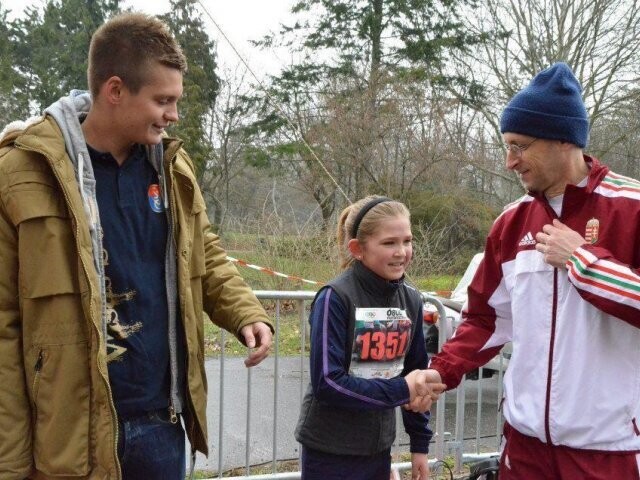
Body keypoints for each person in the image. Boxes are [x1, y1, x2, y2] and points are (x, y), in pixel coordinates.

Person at [0, 12, 273, 480]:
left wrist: (245, 311)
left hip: (161, 426)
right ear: (115, 90)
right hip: (69, 438)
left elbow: (203, 250)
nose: (173, 115)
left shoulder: (173, 168)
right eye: (163, 100)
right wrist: (11, 461)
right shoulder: (21, 172)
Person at [421, 62, 640, 479]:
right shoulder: (510, 222)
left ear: (563, 139)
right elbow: (487, 319)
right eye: (507, 145)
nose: (509, 161)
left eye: (519, 145)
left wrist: (583, 260)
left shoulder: (632, 207)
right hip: (524, 447)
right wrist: (441, 370)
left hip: (608, 450)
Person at [294, 196, 446, 480]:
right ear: (357, 249)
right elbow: (328, 382)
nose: (401, 251)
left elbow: (416, 374)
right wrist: (403, 389)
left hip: (377, 450)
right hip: (329, 452)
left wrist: (419, 446)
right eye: (389, 243)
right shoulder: (335, 298)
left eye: (407, 241)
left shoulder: (411, 300)